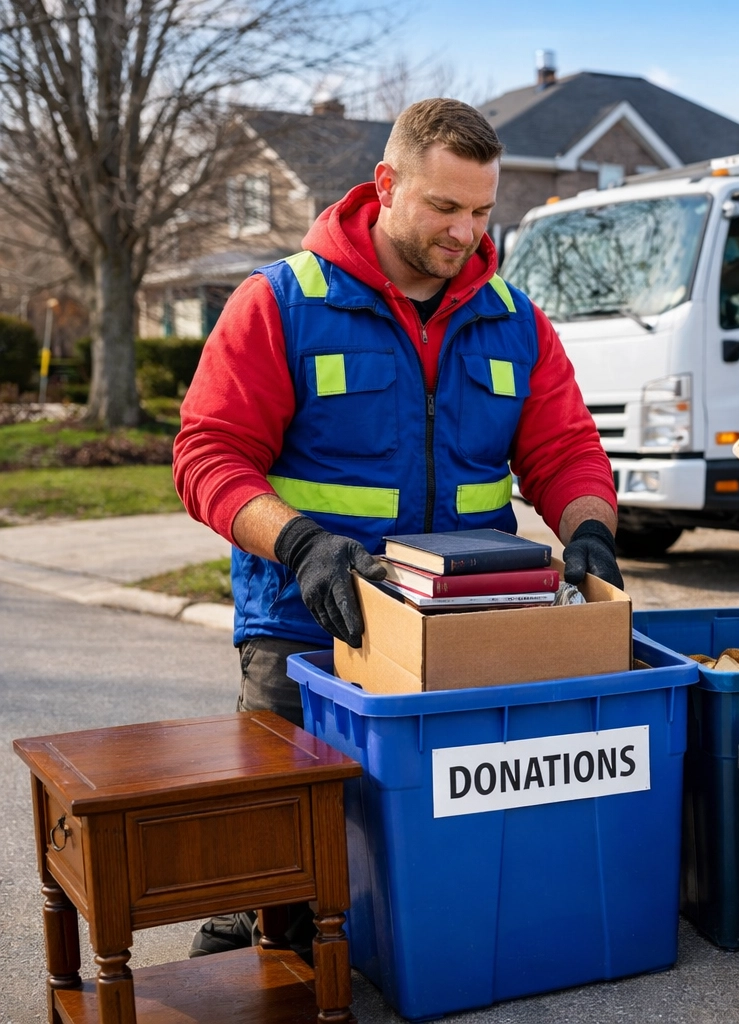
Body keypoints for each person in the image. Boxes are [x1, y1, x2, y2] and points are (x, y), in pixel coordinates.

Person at [173, 98, 621, 954]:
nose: (467, 232)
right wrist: (301, 542)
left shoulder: (514, 319)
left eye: (484, 211)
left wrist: (589, 526)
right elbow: (207, 456)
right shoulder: (281, 302)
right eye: (444, 207)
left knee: (448, 853)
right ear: (386, 185)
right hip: (307, 629)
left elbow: (566, 450)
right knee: (276, 885)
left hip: (469, 634)